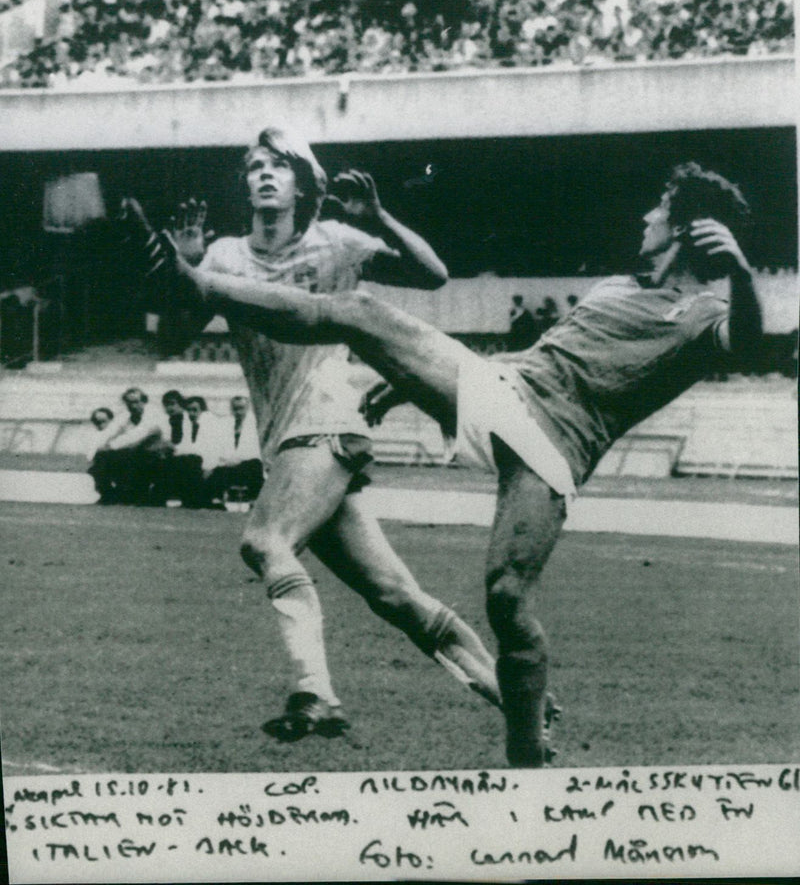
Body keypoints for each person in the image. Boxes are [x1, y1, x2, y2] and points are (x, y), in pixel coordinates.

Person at [123, 161, 764, 766]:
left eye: (658, 210)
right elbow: (545, 358)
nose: (645, 219)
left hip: (557, 450)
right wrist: (407, 381)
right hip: (505, 392)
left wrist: (739, 271)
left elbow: (751, 342)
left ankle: (527, 754)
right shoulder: (617, 287)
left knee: (508, 601)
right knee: (359, 312)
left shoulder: (708, 313)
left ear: (684, 227)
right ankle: (196, 281)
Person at [131, 124, 500, 740]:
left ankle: (316, 692)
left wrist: (379, 217)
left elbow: (433, 274)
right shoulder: (223, 254)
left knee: (263, 542)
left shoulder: (337, 244)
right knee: (396, 597)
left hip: (327, 424)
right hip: (292, 445)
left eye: (278, 165)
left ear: (303, 185)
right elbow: (170, 339)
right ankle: (518, 699)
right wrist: (188, 266)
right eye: (254, 166)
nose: (264, 174)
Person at [89, 387, 164, 505]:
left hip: (153, 458)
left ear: (144, 402)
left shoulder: (152, 417)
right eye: (129, 403)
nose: (133, 406)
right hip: (132, 455)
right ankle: (108, 494)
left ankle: (128, 494)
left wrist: (112, 447)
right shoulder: (125, 419)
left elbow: (137, 439)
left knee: (125, 457)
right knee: (101, 457)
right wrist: (104, 448)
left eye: (136, 402)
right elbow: (112, 435)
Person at [205, 394, 263, 505]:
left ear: (247, 408)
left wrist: (237, 460)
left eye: (241, 408)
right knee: (217, 471)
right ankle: (217, 500)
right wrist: (226, 461)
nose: (238, 412)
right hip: (228, 465)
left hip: (246, 464)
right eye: (235, 409)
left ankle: (253, 500)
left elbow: (254, 450)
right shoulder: (226, 425)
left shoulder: (254, 425)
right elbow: (219, 448)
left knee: (255, 465)